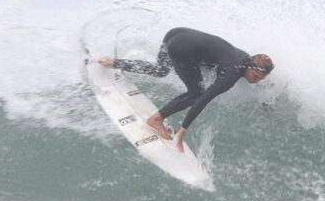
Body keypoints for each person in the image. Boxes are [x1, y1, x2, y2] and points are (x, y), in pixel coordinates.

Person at [94, 27, 273, 152]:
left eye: (260, 80)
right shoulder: (231, 75)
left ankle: (112, 63)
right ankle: (157, 119)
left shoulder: (246, 58)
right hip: (182, 47)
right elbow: (204, 99)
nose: (255, 82)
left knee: (161, 70)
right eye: (255, 77)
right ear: (250, 68)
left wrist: (266, 104)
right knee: (196, 93)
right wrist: (183, 130)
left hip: (175, 33)